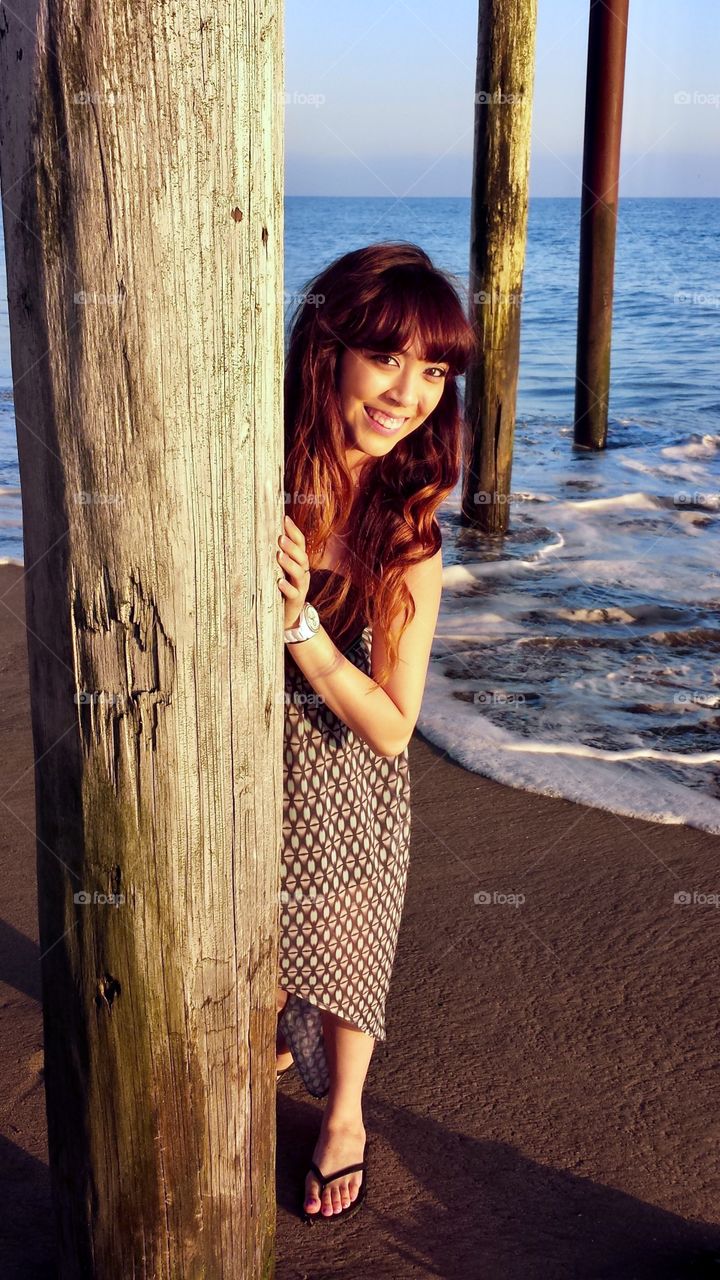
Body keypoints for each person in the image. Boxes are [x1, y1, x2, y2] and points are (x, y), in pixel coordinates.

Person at [275, 241, 478, 1223]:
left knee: (347, 904)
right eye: (388, 358)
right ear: (331, 346)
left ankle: (345, 1112)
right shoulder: (253, 460)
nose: (411, 392)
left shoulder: (407, 529)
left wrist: (302, 628)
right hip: (223, 743)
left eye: (434, 371)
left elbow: (394, 728)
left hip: (340, 753)